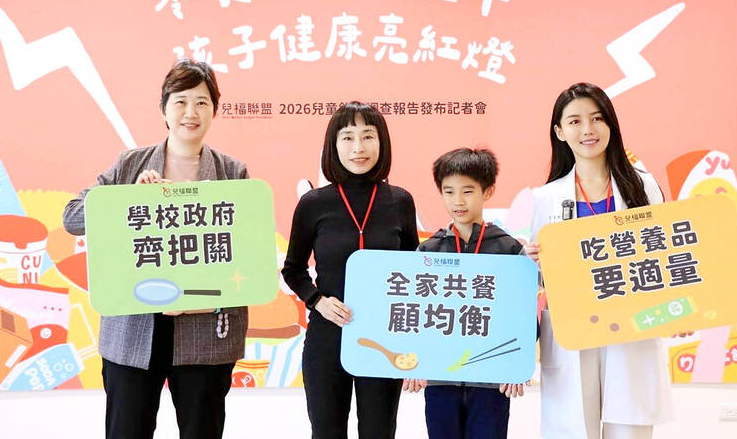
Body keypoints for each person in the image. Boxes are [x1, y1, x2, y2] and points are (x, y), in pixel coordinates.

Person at [63, 60, 247, 439]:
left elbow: (247, 257)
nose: (191, 112)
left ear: (215, 110)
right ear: (163, 109)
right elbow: (72, 217)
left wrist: (200, 301)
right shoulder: (130, 165)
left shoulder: (232, 174)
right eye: (180, 102)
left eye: (202, 102)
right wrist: (130, 200)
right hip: (133, 330)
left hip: (203, 334)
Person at [527, 83, 675, 439]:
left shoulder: (643, 187)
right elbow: (541, 277)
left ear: (611, 124)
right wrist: (533, 259)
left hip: (631, 324)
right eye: (575, 121)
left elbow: (663, 256)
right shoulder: (547, 197)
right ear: (560, 132)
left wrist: (679, 310)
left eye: (597, 119)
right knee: (572, 428)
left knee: (630, 428)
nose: (588, 130)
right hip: (573, 328)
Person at [282, 101, 419, 439]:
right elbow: (293, 269)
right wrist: (318, 301)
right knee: (326, 432)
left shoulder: (400, 201)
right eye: (348, 137)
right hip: (328, 336)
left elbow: (415, 272)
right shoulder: (313, 203)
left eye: (368, 136)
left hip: (384, 337)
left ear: (382, 142)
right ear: (333, 145)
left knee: (379, 431)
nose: (359, 147)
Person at [402, 147, 527, 439]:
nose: (457, 201)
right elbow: (415, 312)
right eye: (449, 192)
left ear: (488, 191)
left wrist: (516, 366)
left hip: (492, 381)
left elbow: (520, 314)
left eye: (468, 191)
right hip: (440, 379)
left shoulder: (509, 249)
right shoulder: (429, 251)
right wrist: (414, 360)